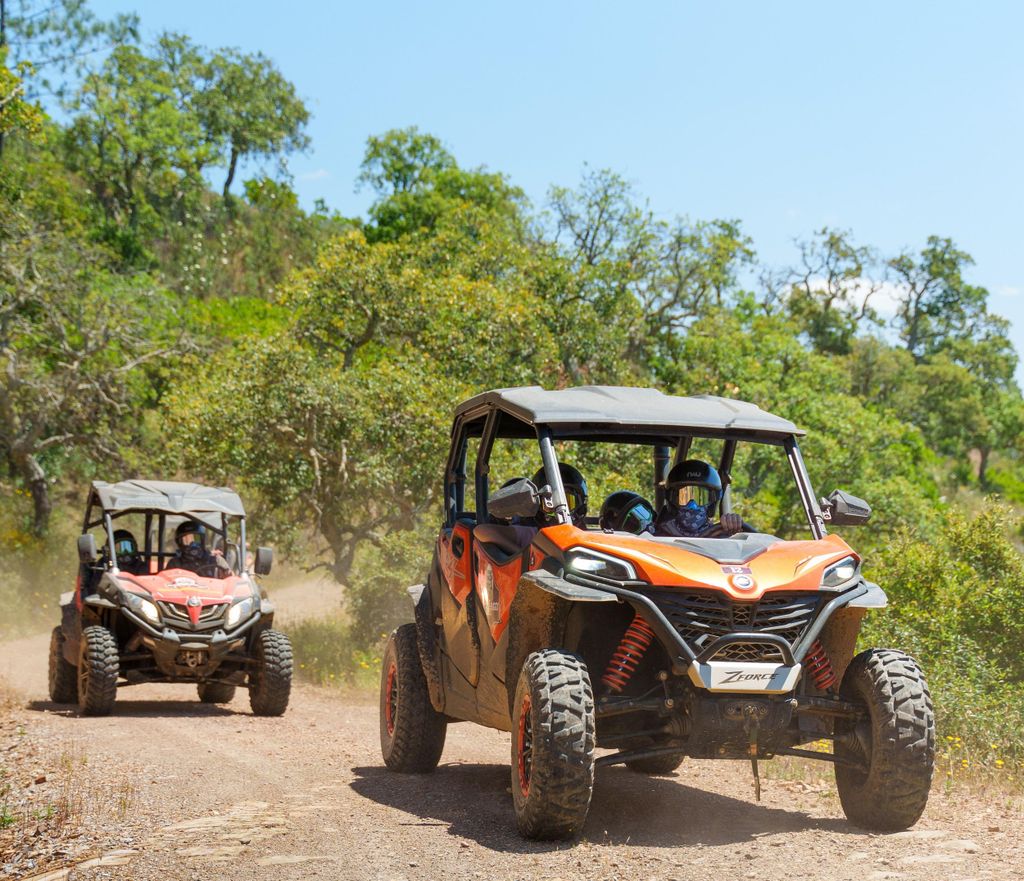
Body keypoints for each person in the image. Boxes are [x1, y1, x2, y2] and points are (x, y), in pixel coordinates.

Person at [653, 460, 744, 538]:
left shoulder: (722, 537)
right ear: (672, 501)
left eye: (700, 498)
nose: (692, 506)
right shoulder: (656, 537)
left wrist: (734, 528)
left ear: (712, 502)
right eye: (684, 497)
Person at [531, 463, 588, 528]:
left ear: (580, 506)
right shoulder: (526, 535)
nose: (559, 513)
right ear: (538, 506)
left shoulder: (590, 537)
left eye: (567, 502)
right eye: (549, 503)